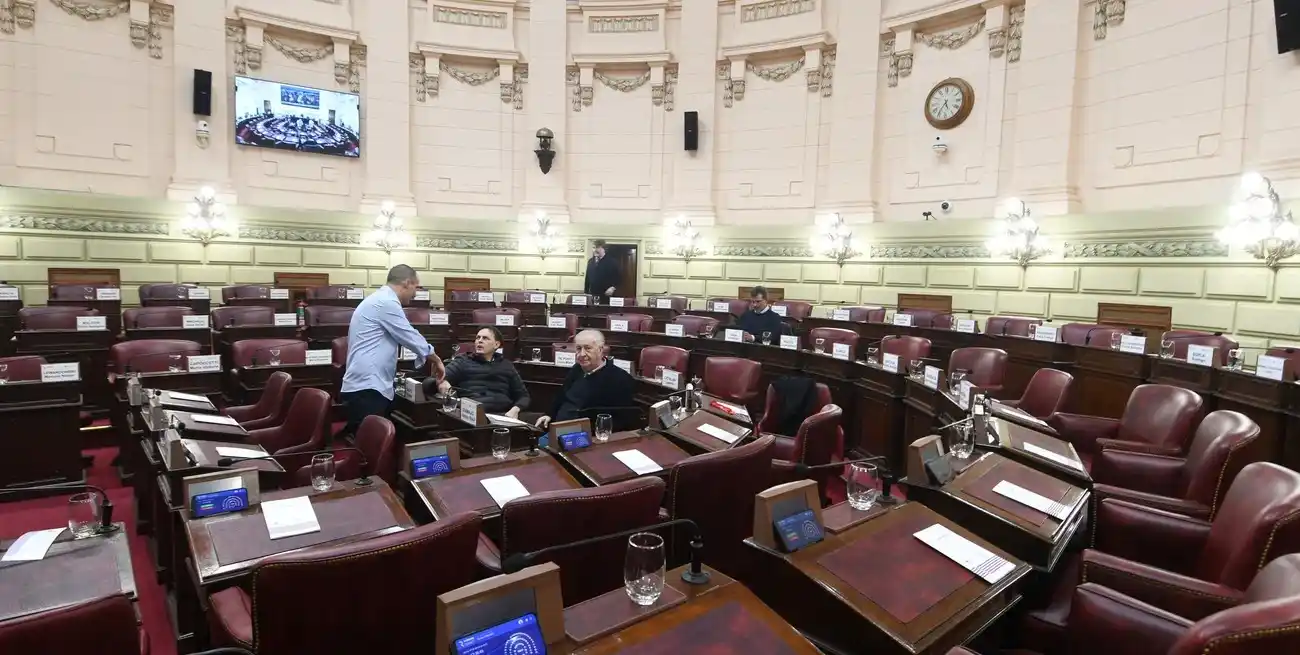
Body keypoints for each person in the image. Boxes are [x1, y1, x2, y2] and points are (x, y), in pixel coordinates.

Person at [339, 264, 444, 438]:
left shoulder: (379, 299)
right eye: (416, 287)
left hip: (367, 384)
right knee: (369, 448)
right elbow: (409, 335)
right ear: (406, 283)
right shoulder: (386, 302)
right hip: (368, 387)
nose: (416, 293)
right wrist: (436, 359)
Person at [534, 329, 636, 429]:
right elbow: (562, 396)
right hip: (556, 426)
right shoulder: (577, 369)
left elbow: (620, 421)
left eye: (588, 348)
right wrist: (549, 414)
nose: (582, 354)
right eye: (578, 348)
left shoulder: (620, 379)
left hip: (584, 435)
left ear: (600, 350)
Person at [428, 327, 529, 418]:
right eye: (477, 338)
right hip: (471, 415)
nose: (479, 341)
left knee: (541, 420)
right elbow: (432, 382)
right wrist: (442, 382)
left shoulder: (507, 365)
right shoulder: (463, 361)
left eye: (485, 338)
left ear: (496, 344)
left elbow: (523, 396)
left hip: (504, 415)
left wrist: (515, 410)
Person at [583, 240, 620, 304]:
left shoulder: (612, 262)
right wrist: (586, 292)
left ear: (603, 249)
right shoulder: (590, 261)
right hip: (592, 296)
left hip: (606, 297)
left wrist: (613, 288)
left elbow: (619, 278)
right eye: (593, 247)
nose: (594, 250)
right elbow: (587, 278)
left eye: (597, 248)